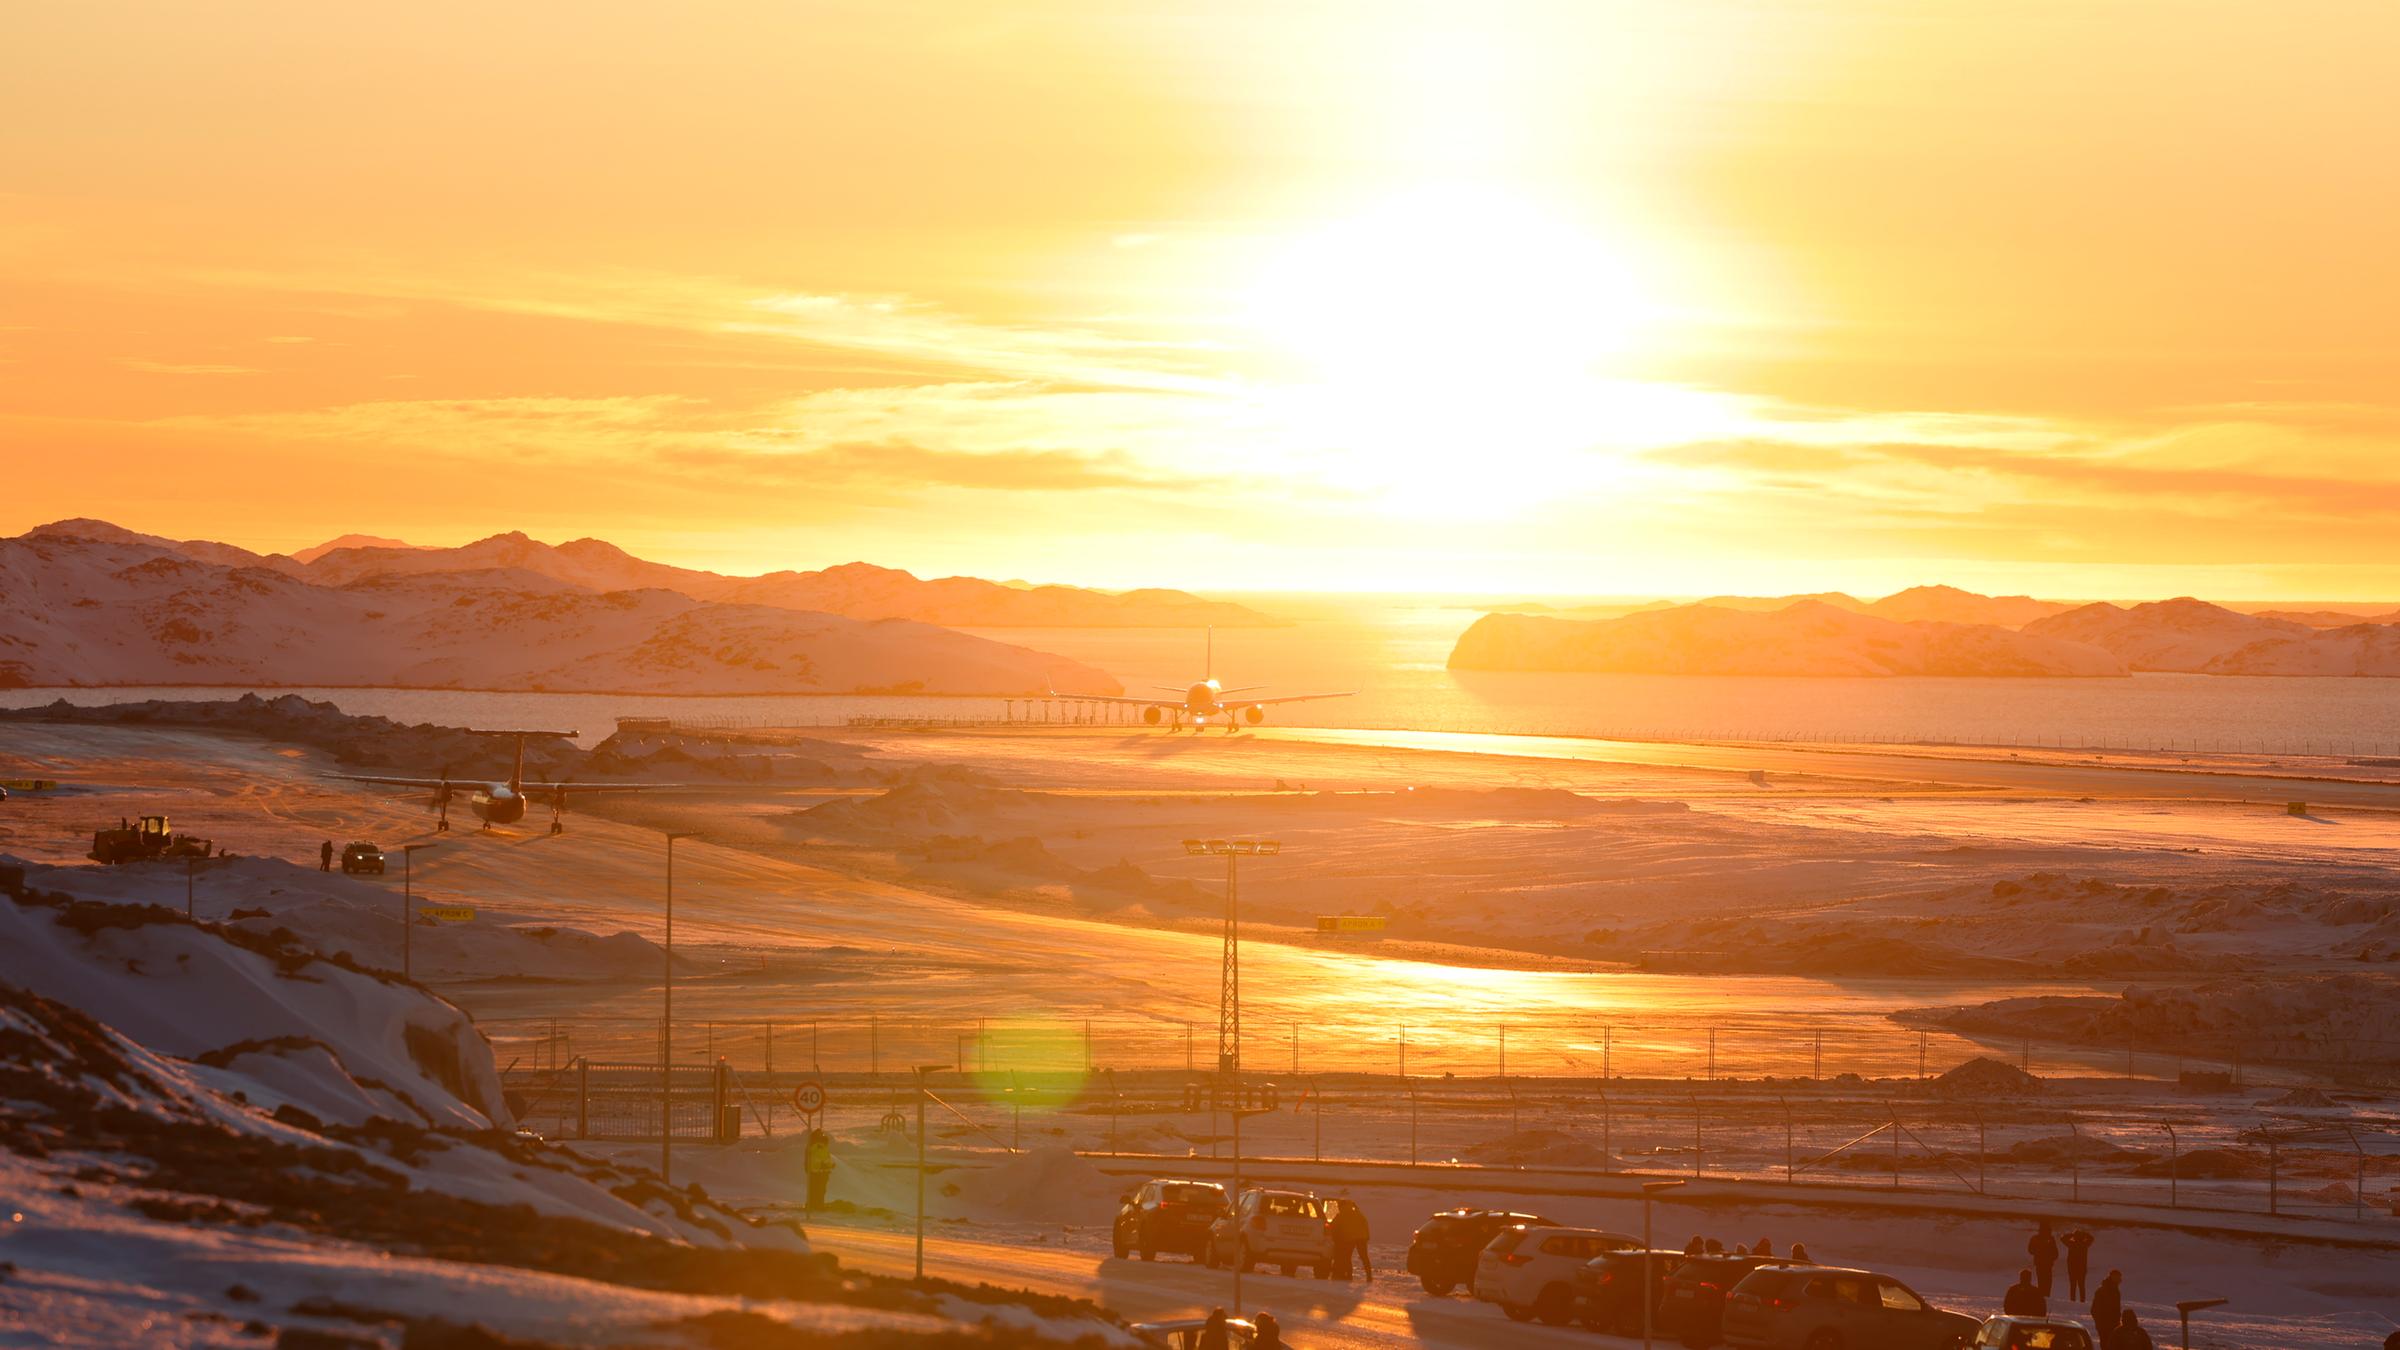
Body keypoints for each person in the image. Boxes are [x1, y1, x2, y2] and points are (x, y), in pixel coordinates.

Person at [1332, 1196, 1372, 1280]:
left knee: (1347, 1256)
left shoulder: (1341, 1214)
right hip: (1362, 1237)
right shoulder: (1357, 1212)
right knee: (1364, 1257)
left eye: (1338, 1206)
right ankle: (1369, 1275)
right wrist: (1367, 1236)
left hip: (1350, 1238)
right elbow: (1364, 1223)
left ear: (1341, 1206)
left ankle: (1349, 1275)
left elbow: (1334, 1225)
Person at [803, 1128, 835, 1211]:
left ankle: (818, 1204)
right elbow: (813, 1159)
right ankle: (814, 1205)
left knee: (821, 1190)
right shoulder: (814, 1147)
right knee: (816, 1189)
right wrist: (822, 1165)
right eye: (820, 1134)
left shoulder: (823, 1147)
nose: (823, 1135)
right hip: (816, 1172)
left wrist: (830, 1165)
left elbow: (826, 1158)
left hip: (823, 1172)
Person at [2061, 1226, 2095, 1301]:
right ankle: (2082, 1300)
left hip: (2072, 1267)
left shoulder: (2071, 1244)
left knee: (2073, 1285)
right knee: (2081, 1285)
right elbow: (2091, 1238)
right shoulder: (2084, 1245)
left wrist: (2072, 1234)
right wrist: (2084, 1233)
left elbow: (2062, 1239)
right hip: (2082, 1268)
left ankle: (2072, 1299)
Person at [2089, 1269, 2123, 1341]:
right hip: (2104, 1327)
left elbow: (2116, 1309)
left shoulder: (2116, 1291)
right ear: (2112, 1277)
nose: (2120, 1280)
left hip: (2114, 1326)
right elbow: (2094, 1309)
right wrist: (2100, 1324)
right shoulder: (2102, 1291)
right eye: (2118, 1278)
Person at [2028, 1219, 2059, 1297]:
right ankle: (2045, 1295)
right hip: (2046, 1263)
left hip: (2041, 1263)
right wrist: (2050, 1257)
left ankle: (2042, 1295)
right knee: (2047, 1281)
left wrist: (2038, 1253)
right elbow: (2055, 1253)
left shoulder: (2036, 1238)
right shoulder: (2050, 1239)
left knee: (2042, 1280)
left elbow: (2030, 1250)